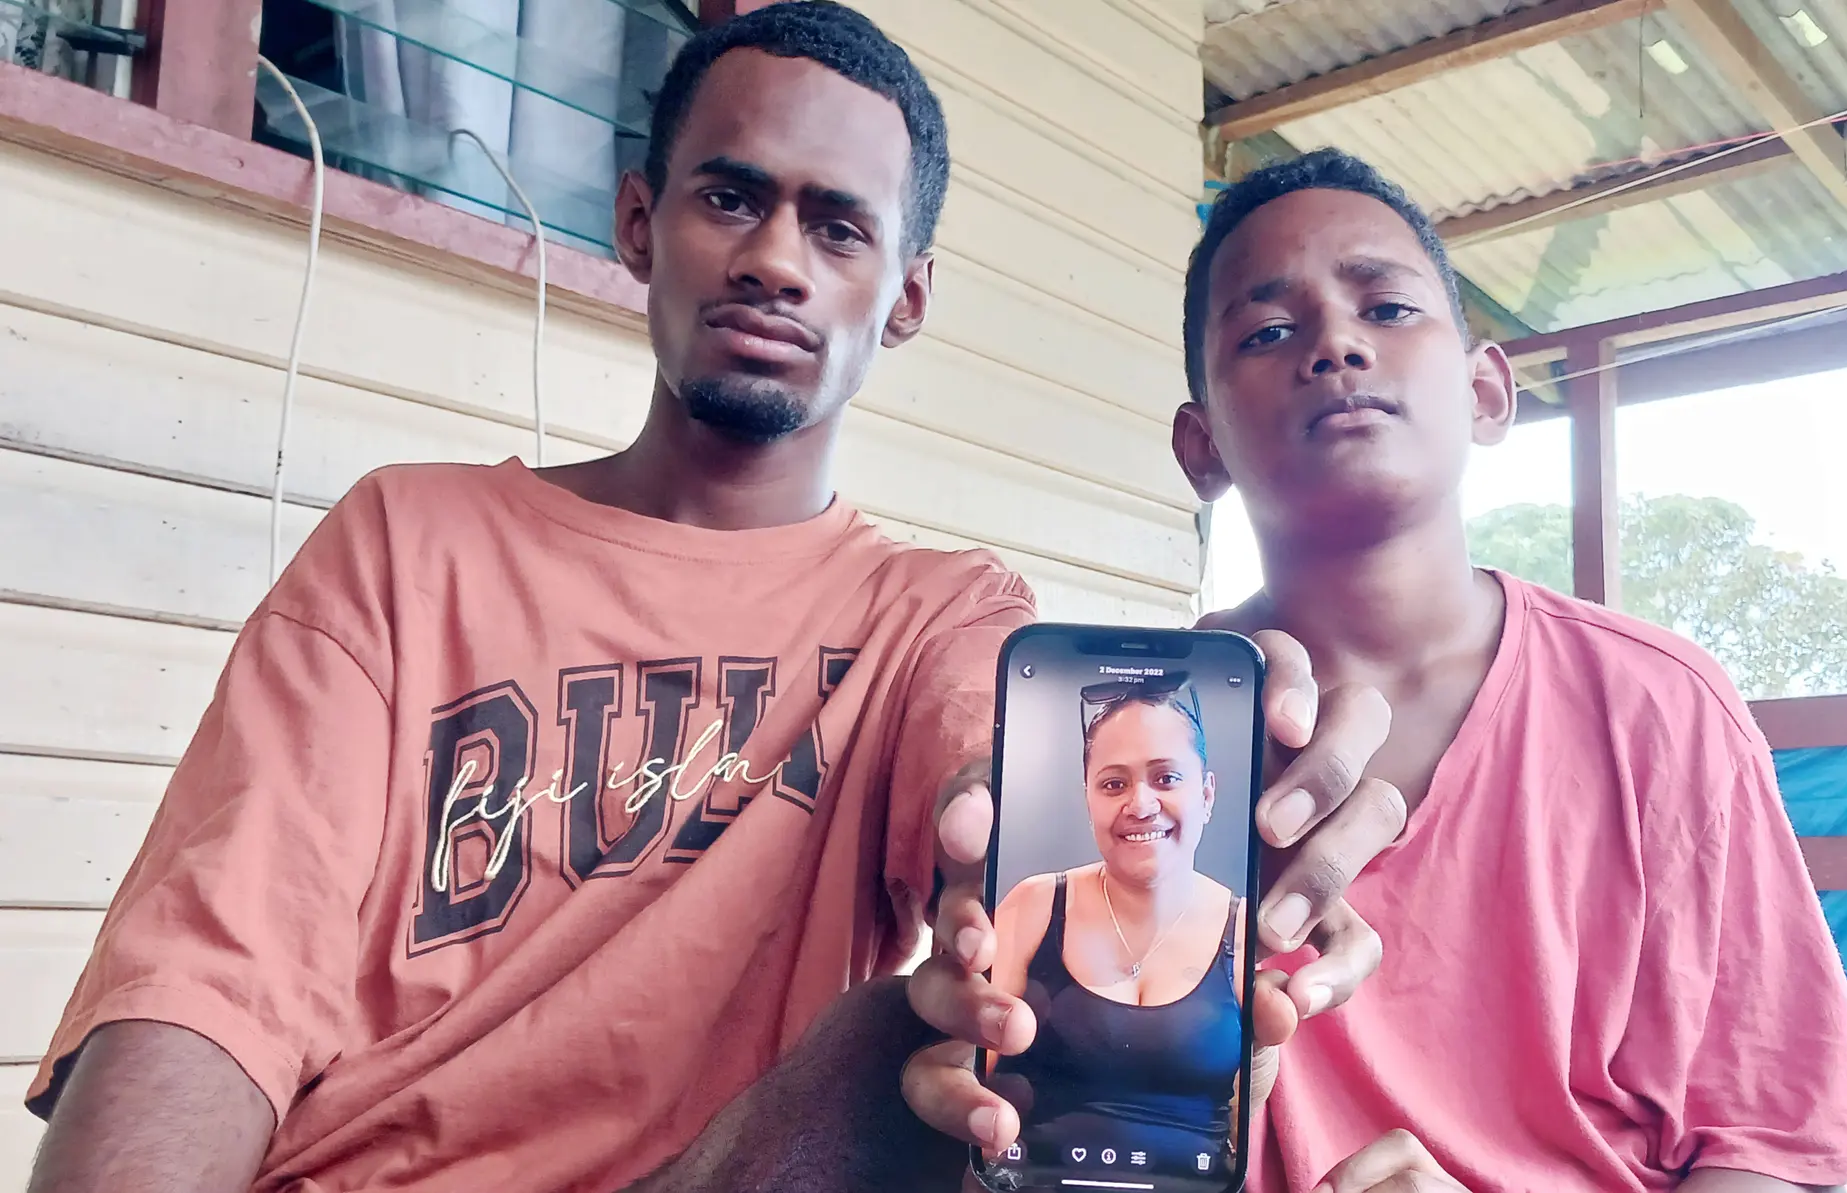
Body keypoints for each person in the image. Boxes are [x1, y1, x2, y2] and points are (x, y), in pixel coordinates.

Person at [22, 6, 1407, 1191]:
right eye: (731, 198)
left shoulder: (934, 614)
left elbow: (988, 777)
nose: (776, 260)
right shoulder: (411, 541)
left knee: (898, 1043)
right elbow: (209, 990)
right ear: (640, 222)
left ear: (905, 299)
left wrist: (1147, 858)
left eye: (840, 227)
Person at [908, 145, 1847, 1192]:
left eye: (1386, 309)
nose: (1337, 343)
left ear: (1487, 392)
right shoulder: (1138, 736)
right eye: (1267, 330)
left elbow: (1773, 1151)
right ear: (1200, 447)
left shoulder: (1660, 707)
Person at [988, 678, 1248, 1171]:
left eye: (1166, 778)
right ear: (1088, 799)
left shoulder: (1246, 932)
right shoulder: (1033, 906)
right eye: (1114, 784)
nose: (1140, 803)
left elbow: (1258, 1122)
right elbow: (967, 1074)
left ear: (1207, 794)